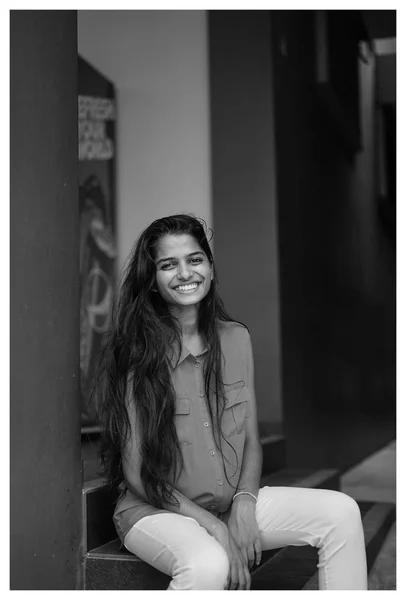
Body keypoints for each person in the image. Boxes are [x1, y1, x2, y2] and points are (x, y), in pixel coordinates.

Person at [95, 214, 368, 590]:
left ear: (209, 266)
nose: (184, 273)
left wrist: (243, 502)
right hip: (157, 512)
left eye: (194, 259)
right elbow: (139, 474)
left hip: (228, 503)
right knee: (209, 562)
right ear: (153, 281)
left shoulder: (236, 340)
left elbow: (251, 441)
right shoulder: (137, 353)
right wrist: (215, 529)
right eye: (167, 264)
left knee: (340, 512)